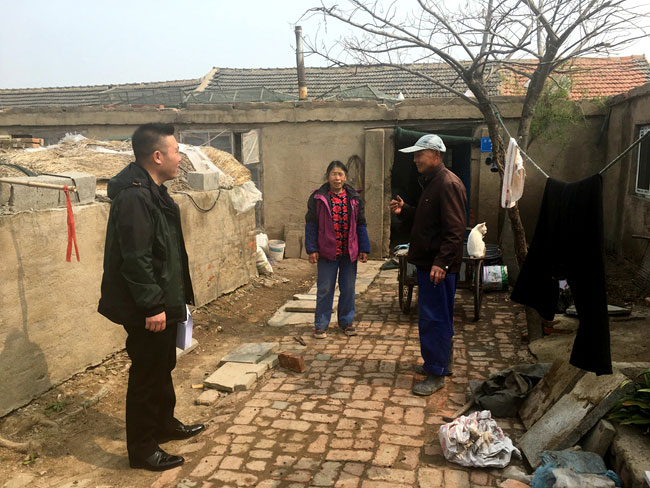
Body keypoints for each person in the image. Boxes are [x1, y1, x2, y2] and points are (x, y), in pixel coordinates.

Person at [98, 123, 204, 471]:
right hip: (147, 306)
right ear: (157, 156)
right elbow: (136, 258)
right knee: (146, 372)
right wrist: (152, 305)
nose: (180, 157)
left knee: (162, 364)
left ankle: (163, 423)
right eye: (176, 151)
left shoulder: (154, 191)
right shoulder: (134, 197)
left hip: (163, 299)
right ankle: (143, 449)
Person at [390, 135, 467, 396]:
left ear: (436, 154)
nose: (415, 160)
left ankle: (436, 374)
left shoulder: (447, 184)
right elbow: (429, 219)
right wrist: (406, 209)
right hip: (431, 264)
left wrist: (441, 263)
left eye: (419, 154)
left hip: (437, 266)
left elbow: (455, 230)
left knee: (434, 318)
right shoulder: (433, 182)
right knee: (438, 316)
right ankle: (442, 363)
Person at [305, 160, 370, 339]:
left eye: (340, 174)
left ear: (345, 177)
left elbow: (361, 223)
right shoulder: (318, 198)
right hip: (327, 251)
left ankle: (346, 322)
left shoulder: (354, 198)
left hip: (348, 251)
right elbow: (311, 224)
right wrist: (312, 249)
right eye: (333, 174)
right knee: (325, 288)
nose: (337, 178)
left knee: (348, 288)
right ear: (328, 176)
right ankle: (321, 325)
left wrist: (364, 248)